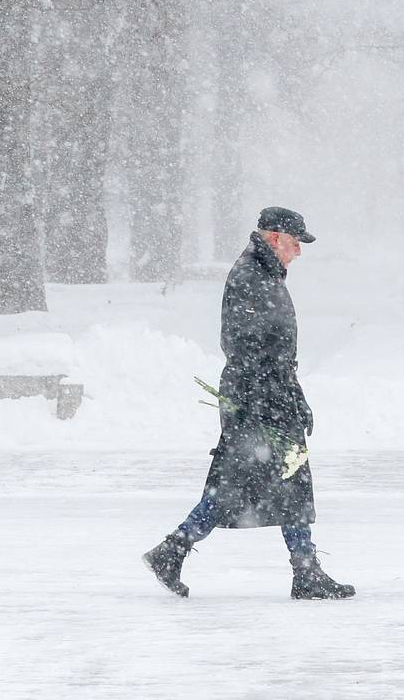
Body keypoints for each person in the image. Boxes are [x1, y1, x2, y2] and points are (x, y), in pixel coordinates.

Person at [143, 206, 355, 600]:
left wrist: (293, 394)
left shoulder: (265, 274)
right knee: (259, 483)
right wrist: (270, 394)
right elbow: (244, 344)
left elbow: (273, 348)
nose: (299, 252)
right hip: (258, 397)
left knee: (270, 483)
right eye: (295, 243)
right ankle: (176, 552)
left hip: (268, 394)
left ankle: (175, 552)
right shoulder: (250, 277)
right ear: (274, 238)